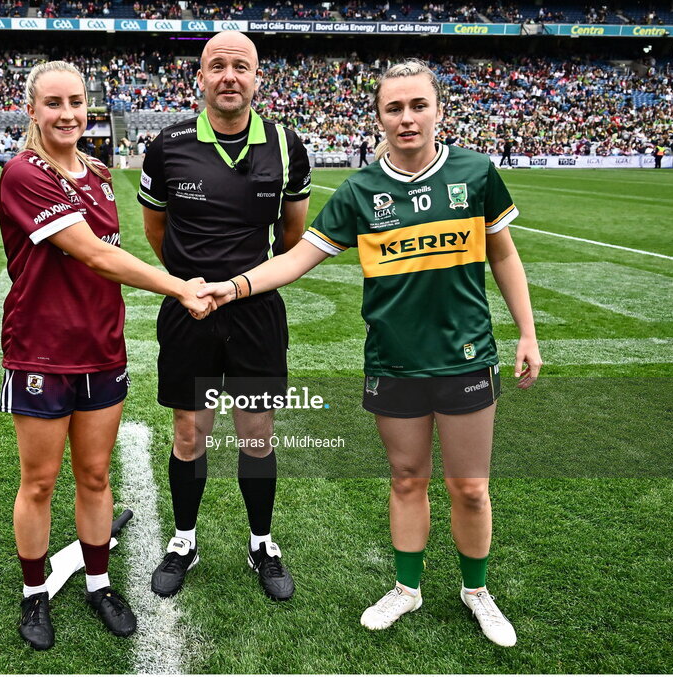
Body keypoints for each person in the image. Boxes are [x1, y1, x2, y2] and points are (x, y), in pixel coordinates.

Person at [198, 60, 542, 646]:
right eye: (394, 108)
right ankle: (408, 589)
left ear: (438, 110)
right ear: (378, 116)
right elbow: (298, 258)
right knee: (407, 479)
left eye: (417, 106)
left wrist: (527, 332)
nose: (407, 118)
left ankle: (476, 591)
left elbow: (503, 255)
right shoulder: (360, 191)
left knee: (470, 487)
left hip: (465, 357)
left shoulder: (476, 173)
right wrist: (232, 287)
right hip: (392, 362)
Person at [0, 60, 213, 651]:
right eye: (53, 104)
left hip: (102, 349)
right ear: (33, 109)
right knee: (38, 482)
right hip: (41, 354)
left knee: (94, 476)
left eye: (76, 103)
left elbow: (105, 263)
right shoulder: (22, 174)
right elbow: (93, 255)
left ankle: (97, 582)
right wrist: (179, 286)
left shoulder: (95, 172)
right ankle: (33, 594)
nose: (67, 115)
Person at [137, 30, 311, 602]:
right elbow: (155, 231)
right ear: (201, 78)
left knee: (256, 435)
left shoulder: (288, 146)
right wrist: (191, 284)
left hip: (256, 312)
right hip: (188, 310)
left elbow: (292, 234)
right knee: (189, 433)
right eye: (218, 66)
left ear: (258, 77)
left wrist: (239, 286)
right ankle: (185, 539)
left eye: (242, 66)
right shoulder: (166, 146)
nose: (229, 76)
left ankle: (262, 542)